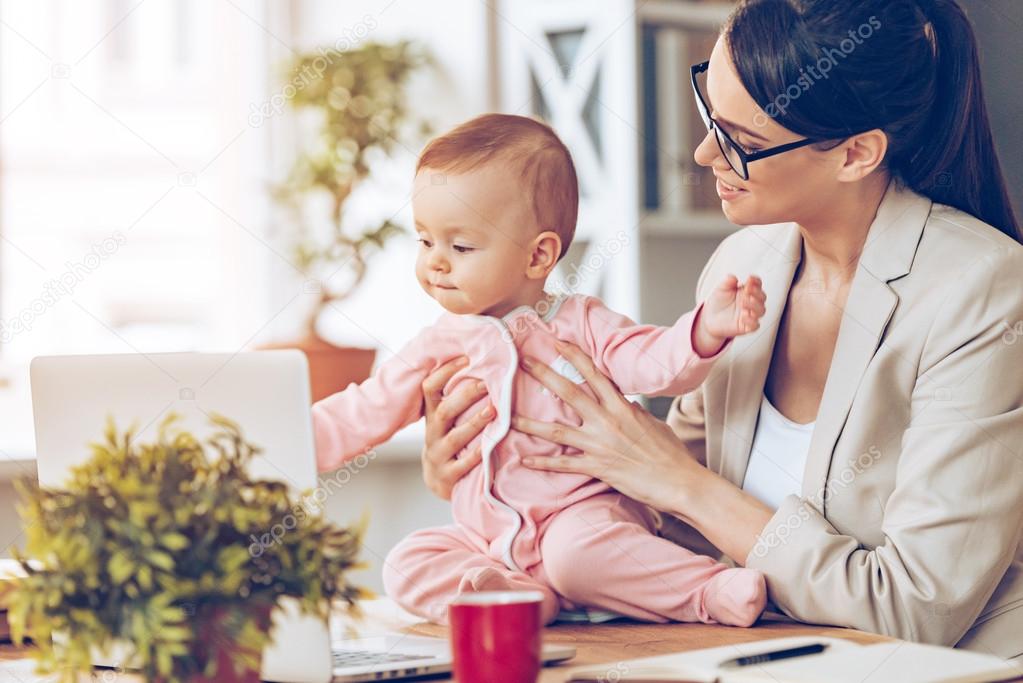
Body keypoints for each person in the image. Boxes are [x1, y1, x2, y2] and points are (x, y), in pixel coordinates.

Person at [418, 0, 1023, 660]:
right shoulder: (744, 265)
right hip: (756, 654)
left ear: (855, 153)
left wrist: (687, 484)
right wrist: (497, 472)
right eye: (710, 112)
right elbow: (666, 526)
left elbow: (909, 609)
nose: (705, 152)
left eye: (744, 141)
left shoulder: (981, 291)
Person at [311, 112, 772, 626]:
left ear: (538, 256)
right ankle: (520, 598)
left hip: (584, 518)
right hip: (490, 542)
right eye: (424, 240)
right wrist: (282, 439)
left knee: (577, 556)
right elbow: (362, 412)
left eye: (460, 246)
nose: (436, 262)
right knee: (406, 565)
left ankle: (707, 593)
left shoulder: (582, 323)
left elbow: (657, 365)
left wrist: (706, 328)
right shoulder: (435, 346)